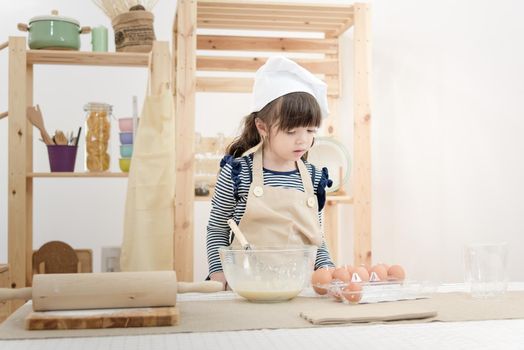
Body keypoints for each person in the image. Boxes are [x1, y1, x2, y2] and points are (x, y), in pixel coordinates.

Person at [206, 56, 335, 289]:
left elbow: (317, 237)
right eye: (291, 131)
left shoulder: (314, 178)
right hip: (246, 287)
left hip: (299, 288)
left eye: (309, 130)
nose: (303, 140)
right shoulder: (238, 173)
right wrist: (218, 273)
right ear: (262, 127)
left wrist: (327, 269)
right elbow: (217, 227)